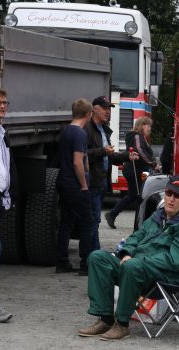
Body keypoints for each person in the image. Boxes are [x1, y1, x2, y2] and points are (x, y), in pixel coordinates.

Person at [79, 175, 179, 340]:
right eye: (169, 193)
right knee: (98, 257)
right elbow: (136, 237)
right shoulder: (158, 216)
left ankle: (122, 324)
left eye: (177, 196)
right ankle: (105, 319)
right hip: (138, 267)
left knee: (132, 266)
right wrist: (126, 253)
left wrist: (139, 260)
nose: (172, 199)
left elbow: (178, 261)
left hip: (167, 275)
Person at [84, 96, 131, 254]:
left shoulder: (104, 130)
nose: (108, 111)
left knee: (94, 221)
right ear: (94, 109)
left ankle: (94, 255)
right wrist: (103, 151)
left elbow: (109, 157)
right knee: (92, 221)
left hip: (101, 183)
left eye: (109, 108)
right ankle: (91, 257)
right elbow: (83, 156)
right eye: (105, 108)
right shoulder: (87, 129)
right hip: (92, 183)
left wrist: (126, 156)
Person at [55, 98, 93, 276]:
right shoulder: (79, 133)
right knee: (87, 223)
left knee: (67, 222)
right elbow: (78, 162)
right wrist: (84, 185)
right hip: (74, 184)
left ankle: (61, 262)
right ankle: (86, 263)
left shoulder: (65, 130)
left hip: (63, 180)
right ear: (88, 114)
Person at [105, 116, 160, 229]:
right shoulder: (137, 136)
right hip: (134, 169)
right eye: (148, 125)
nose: (149, 128)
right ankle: (113, 214)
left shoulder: (138, 136)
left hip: (135, 169)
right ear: (142, 125)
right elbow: (140, 151)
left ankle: (113, 214)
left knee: (135, 195)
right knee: (137, 195)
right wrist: (152, 163)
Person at [0, 87, 16, 323]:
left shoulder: (2, 133)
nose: (1, 106)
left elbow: (7, 167)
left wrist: (11, 194)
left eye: (4, 102)